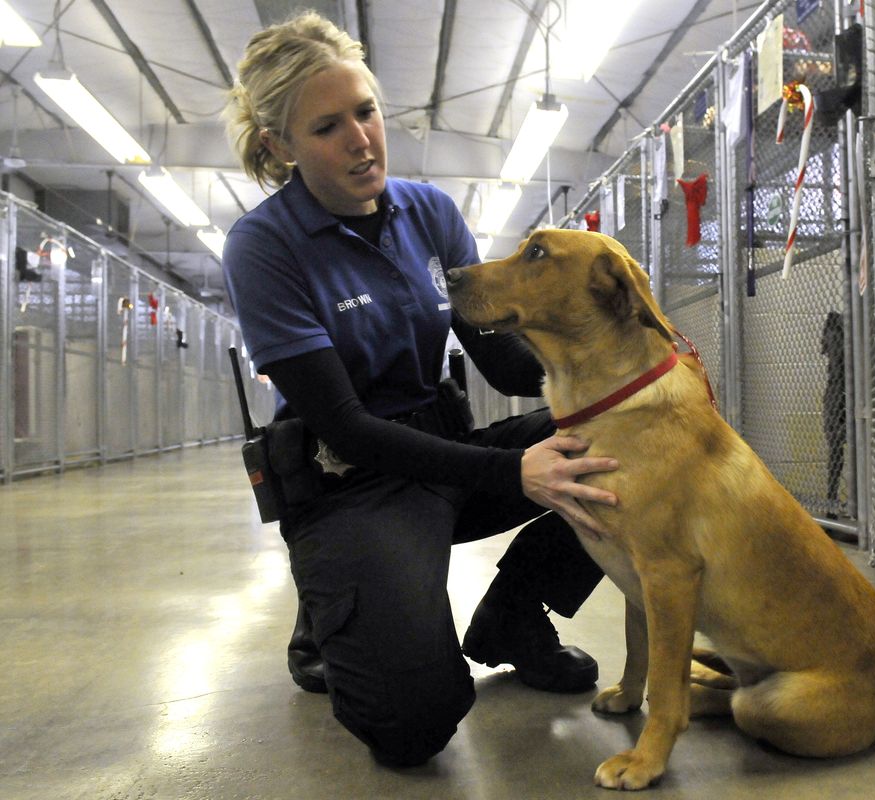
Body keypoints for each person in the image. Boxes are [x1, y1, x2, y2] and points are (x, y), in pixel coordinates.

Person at [221, 11, 617, 767]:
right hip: (351, 477)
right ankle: (333, 606)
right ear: (279, 145)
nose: (361, 140)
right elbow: (345, 425)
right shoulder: (264, 247)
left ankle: (513, 618)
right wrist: (511, 471)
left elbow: (502, 368)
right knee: (412, 725)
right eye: (327, 127)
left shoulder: (428, 213)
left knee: (619, 447)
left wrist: (619, 375)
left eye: (366, 112)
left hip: (443, 441)